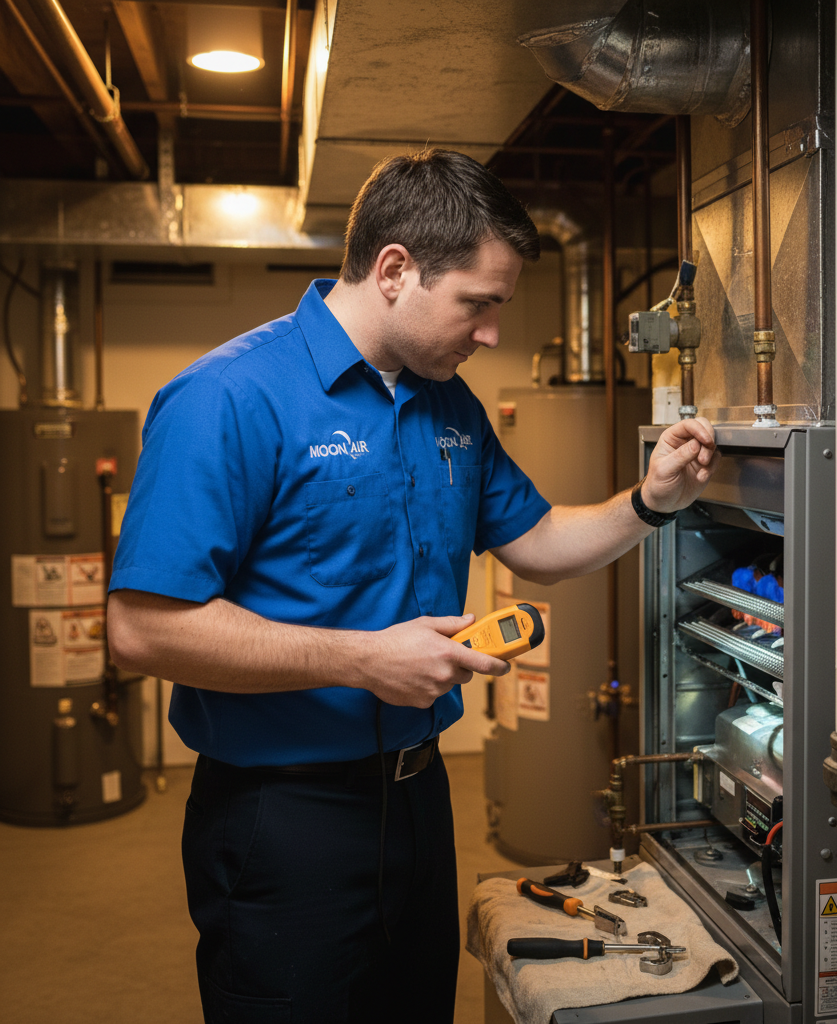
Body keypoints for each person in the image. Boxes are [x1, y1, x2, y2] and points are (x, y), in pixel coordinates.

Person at [107, 148, 720, 1023]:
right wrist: (363, 660)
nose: (492, 334)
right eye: (479, 304)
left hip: (422, 800)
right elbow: (140, 628)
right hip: (282, 817)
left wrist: (651, 502)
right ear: (394, 269)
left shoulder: (450, 405)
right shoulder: (230, 397)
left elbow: (537, 541)